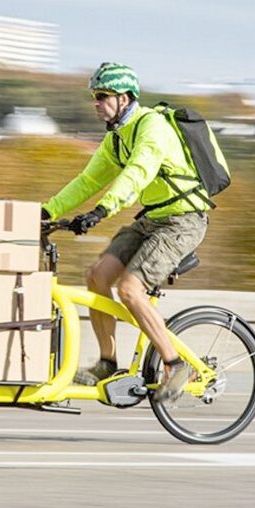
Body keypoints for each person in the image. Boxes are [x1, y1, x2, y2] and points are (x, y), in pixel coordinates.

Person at [41, 62, 212, 401]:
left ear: (124, 98)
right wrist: (48, 211)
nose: (96, 103)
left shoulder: (152, 126)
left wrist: (102, 210)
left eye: (102, 96)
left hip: (183, 221)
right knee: (97, 276)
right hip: (153, 219)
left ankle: (176, 364)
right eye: (94, 96)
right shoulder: (116, 139)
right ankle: (107, 363)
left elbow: (138, 172)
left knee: (131, 290)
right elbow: (88, 181)